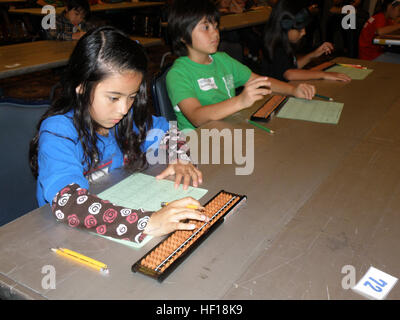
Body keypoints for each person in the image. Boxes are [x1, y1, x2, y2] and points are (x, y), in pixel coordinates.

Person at [29, 26, 206, 244]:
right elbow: (67, 203)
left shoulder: (125, 119)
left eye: (131, 97)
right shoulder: (58, 132)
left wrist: (180, 158)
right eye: (114, 98)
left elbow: (167, 131)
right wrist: (147, 223)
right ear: (82, 87)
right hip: (64, 238)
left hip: (110, 221)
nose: (124, 109)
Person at [166, 0, 316, 131]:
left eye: (215, 26)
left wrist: (293, 90)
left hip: (227, 130)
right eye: (206, 28)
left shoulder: (223, 60)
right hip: (200, 143)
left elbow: (262, 82)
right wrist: (240, 101)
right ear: (182, 36)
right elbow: (196, 117)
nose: (215, 34)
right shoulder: (178, 74)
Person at [260, 0, 351, 82]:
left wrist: (312, 55)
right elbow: (289, 74)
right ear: (286, 28)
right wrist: (324, 75)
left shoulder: (282, 41)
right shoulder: (277, 46)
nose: (304, 32)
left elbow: (291, 68)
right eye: (299, 29)